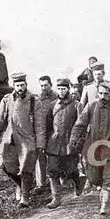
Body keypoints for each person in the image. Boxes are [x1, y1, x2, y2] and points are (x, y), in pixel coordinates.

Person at [69, 82, 110, 215]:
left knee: (109, 177)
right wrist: (74, 138)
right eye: (100, 93)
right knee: (94, 177)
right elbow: (80, 124)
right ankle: (98, 185)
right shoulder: (91, 106)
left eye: (106, 94)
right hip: (93, 147)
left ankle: (104, 206)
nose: (103, 96)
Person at [0, 73, 47, 207]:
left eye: (22, 85)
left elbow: (39, 125)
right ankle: (19, 185)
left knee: (26, 168)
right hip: (10, 138)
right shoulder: (7, 99)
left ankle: (25, 198)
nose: (20, 88)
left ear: (26, 85)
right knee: (5, 165)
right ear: (14, 86)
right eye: (17, 85)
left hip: (27, 140)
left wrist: (40, 143)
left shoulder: (34, 101)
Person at [43, 78, 85, 209]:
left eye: (64, 89)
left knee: (71, 170)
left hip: (70, 142)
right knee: (52, 170)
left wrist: (78, 143)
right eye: (59, 89)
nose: (61, 91)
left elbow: (82, 125)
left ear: (68, 89)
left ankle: (78, 181)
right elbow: (47, 125)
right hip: (54, 143)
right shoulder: (52, 105)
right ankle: (56, 198)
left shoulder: (77, 105)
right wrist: (45, 142)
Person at [33, 75, 58, 193]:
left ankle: (58, 179)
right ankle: (41, 184)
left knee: (55, 156)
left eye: (46, 85)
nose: (43, 88)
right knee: (40, 157)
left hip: (54, 130)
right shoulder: (37, 99)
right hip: (42, 132)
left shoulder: (57, 97)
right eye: (41, 85)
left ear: (51, 85)